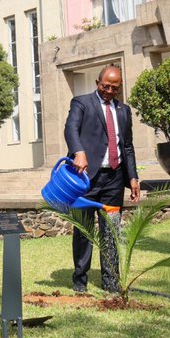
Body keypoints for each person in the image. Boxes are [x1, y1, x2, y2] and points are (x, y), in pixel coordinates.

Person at [63, 64, 141, 293]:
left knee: (111, 230)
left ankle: (110, 281)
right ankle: (80, 280)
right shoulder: (81, 103)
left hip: (114, 179)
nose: (108, 91)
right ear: (97, 83)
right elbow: (71, 128)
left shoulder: (124, 111)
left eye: (114, 88)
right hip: (85, 178)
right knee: (83, 231)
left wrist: (133, 177)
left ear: (119, 87)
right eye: (105, 86)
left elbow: (127, 146)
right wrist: (78, 151)